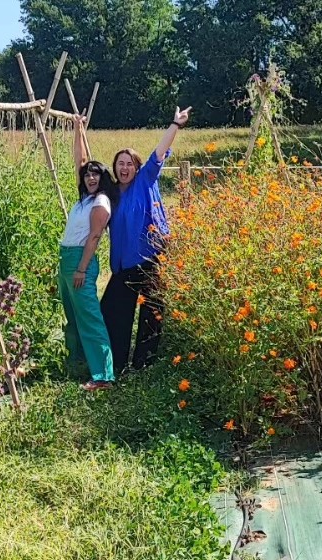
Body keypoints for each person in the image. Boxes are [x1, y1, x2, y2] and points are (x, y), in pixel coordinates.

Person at [99, 106, 191, 373]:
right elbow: (84, 169)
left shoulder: (146, 180)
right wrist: (80, 130)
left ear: (137, 168)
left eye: (129, 164)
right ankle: (116, 365)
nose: (124, 167)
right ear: (115, 168)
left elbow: (159, 152)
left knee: (152, 314)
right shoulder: (111, 193)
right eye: (120, 163)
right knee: (114, 313)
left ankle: (144, 365)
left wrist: (175, 124)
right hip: (123, 265)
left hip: (150, 259)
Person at [61, 115, 117, 389]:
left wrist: (82, 268)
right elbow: (80, 161)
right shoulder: (84, 198)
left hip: (80, 260)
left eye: (96, 174)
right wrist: (78, 128)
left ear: (103, 178)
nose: (90, 176)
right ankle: (79, 362)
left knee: (90, 317)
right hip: (67, 258)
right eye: (88, 174)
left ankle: (104, 376)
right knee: (74, 315)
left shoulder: (101, 200)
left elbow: (94, 236)